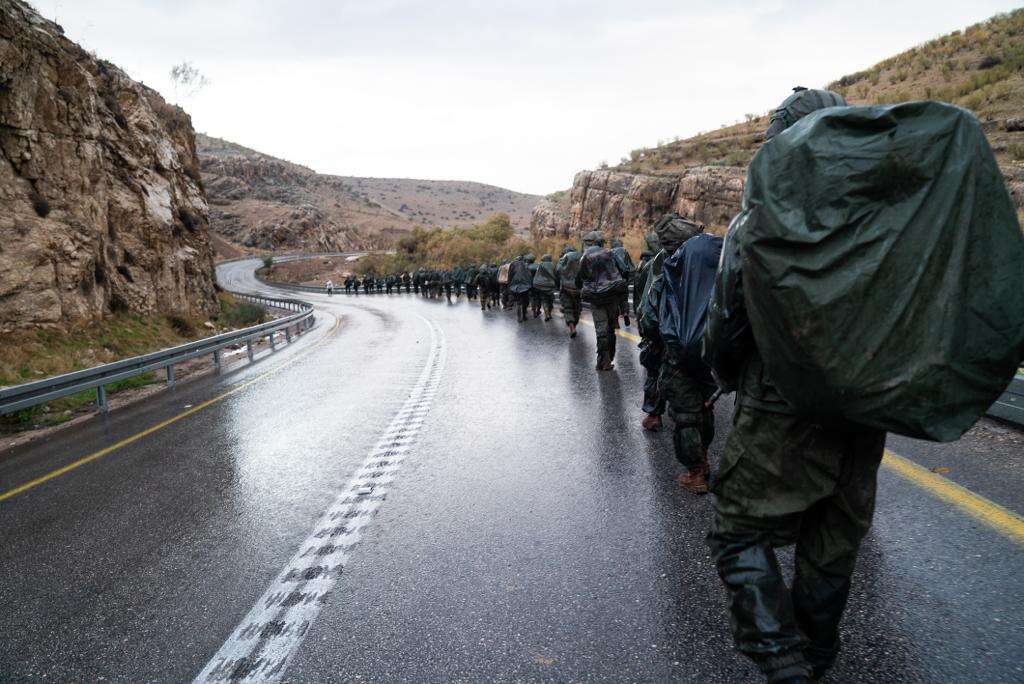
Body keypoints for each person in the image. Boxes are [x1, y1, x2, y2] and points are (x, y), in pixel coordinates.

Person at [704, 87, 875, 684]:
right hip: (863, 403)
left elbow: (726, 321)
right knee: (833, 543)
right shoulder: (883, 215)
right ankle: (818, 658)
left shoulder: (758, 216)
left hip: (779, 401)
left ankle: (784, 663)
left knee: (737, 532)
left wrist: (726, 376)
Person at [657, 230, 721, 494]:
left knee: (686, 415)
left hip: (679, 358)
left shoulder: (674, 278)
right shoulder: (723, 281)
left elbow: (651, 320)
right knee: (705, 408)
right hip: (711, 358)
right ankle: (704, 459)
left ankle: (695, 473)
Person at [576, 231, 628, 370]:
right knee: (611, 328)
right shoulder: (611, 254)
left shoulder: (585, 256)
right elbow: (624, 270)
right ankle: (609, 356)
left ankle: (603, 359)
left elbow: (581, 275)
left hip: (595, 298)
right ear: (602, 243)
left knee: (600, 329)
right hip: (612, 296)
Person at [634, 231, 668, 430]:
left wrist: (648, 333)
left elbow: (646, 302)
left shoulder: (655, 264)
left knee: (654, 371)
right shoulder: (693, 257)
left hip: (661, 329)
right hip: (689, 332)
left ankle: (654, 414)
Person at [556, 244, 583, 338]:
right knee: (577, 309)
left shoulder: (563, 258)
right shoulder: (581, 256)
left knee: (568, 309)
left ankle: (572, 327)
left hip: (566, 289)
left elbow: (558, 271)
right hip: (579, 289)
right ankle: (574, 325)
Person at [610, 238, 635, 327]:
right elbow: (630, 265)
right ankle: (625, 314)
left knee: (614, 301)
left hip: (613, 282)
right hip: (623, 281)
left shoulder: (610, 252)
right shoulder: (624, 251)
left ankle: (616, 322)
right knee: (624, 299)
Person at [532, 253, 557, 321]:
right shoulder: (553, 265)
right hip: (550, 285)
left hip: (541, 285)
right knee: (551, 300)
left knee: (544, 300)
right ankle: (549, 313)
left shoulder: (540, 265)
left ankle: (547, 314)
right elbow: (556, 274)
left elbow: (537, 275)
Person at [508, 255, 533, 322]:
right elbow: (529, 275)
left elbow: (510, 275)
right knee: (524, 301)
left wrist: (509, 284)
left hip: (515, 285)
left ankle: (519, 317)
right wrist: (530, 285)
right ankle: (524, 316)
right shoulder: (526, 265)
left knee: (519, 302)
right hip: (525, 286)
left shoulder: (512, 264)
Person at [525, 253, 541, 318]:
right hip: (538, 284)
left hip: (530, 285)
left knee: (532, 298)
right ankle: (538, 309)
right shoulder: (538, 266)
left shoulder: (526, 267)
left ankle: (534, 311)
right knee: (538, 297)